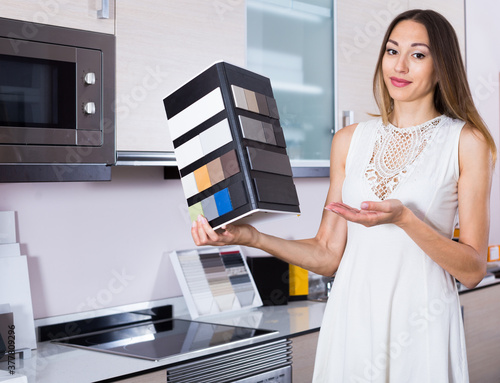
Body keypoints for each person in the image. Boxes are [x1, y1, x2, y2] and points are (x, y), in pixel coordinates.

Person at [191, 9, 497, 382]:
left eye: (418, 54)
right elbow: (326, 253)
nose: (399, 66)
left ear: (440, 66)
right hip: (352, 321)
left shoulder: (466, 142)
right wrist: (249, 236)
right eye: (391, 51)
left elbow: (472, 270)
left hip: (421, 325)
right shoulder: (349, 140)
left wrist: (405, 219)